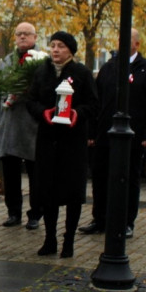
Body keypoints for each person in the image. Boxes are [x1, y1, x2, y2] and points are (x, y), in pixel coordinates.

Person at [81, 28, 146, 239]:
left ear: (137, 44)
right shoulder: (109, 67)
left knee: (129, 178)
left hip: (133, 136)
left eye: (127, 40)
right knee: (100, 177)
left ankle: (126, 222)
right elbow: (96, 101)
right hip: (105, 134)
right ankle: (100, 218)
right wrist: (92, 132)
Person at [26, 31, 97, 257]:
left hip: (72, 143)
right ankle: (50, 240)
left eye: (61, 46)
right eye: (53, 45)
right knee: (48, 193)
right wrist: (42, 112)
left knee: (72, 194)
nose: (55, 50)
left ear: (71, 51)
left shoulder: (82, 73)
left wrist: (77, 114)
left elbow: (93, 104)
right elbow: (31, 101)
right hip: (47, 141)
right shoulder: (42, 72)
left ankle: (69, 241)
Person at [0, 22, 42, 230]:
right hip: (9, 122)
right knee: (9, 172)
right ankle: (13, 212)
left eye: (27, 34)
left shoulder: (42, 61)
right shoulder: (6, 62)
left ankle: (35, 213)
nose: (22, 37)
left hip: (32, 123)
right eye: (19, 34)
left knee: (36, 172)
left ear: (35, 37)